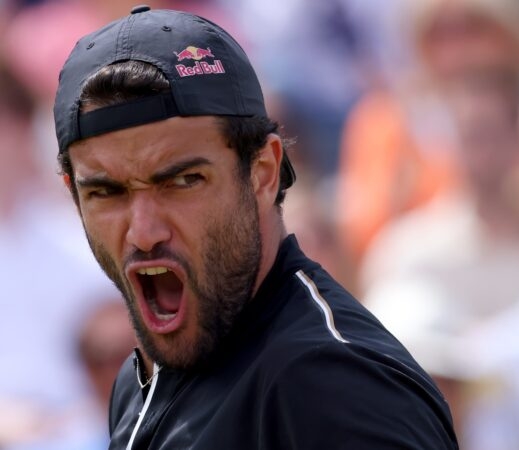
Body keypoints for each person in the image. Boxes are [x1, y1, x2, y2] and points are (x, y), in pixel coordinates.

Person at [51, 6, 458, 449]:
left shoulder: (334, 389)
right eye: (106, 192)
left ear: (263, 172)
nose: (144, 232)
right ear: (73, 194)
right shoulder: (143, 382)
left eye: (183, 181)